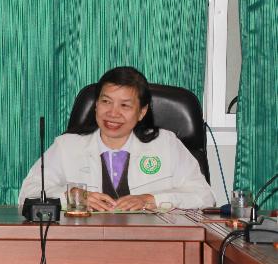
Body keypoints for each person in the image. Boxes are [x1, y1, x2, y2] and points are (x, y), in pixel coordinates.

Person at [18, 66, 214, 211]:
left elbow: (204, 196)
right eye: (106, 102)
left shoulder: (166, 144)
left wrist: (151, 199)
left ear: (142, 112)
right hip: (84, 242)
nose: (113, 113)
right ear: (96, 105)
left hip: (152, 243)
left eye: (125, 105)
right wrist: (73, 196)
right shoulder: (67, 145)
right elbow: (28, 193)